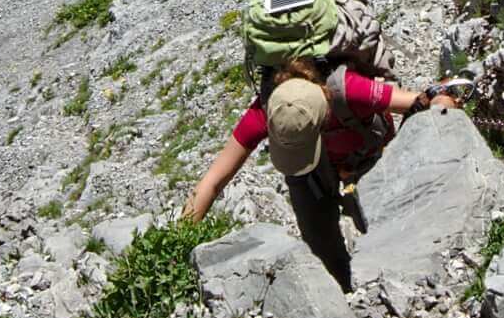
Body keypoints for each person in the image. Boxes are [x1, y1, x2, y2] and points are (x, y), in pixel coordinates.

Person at [181, 52, 459, 289]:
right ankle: (341, 293)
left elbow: (421, 101)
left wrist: (444, 111)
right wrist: (177, 245)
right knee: (320, 245)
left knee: (386, 233)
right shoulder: (270, 109)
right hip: (313, 174)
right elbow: (213, 181)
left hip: (369, 158)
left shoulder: (348, 88)